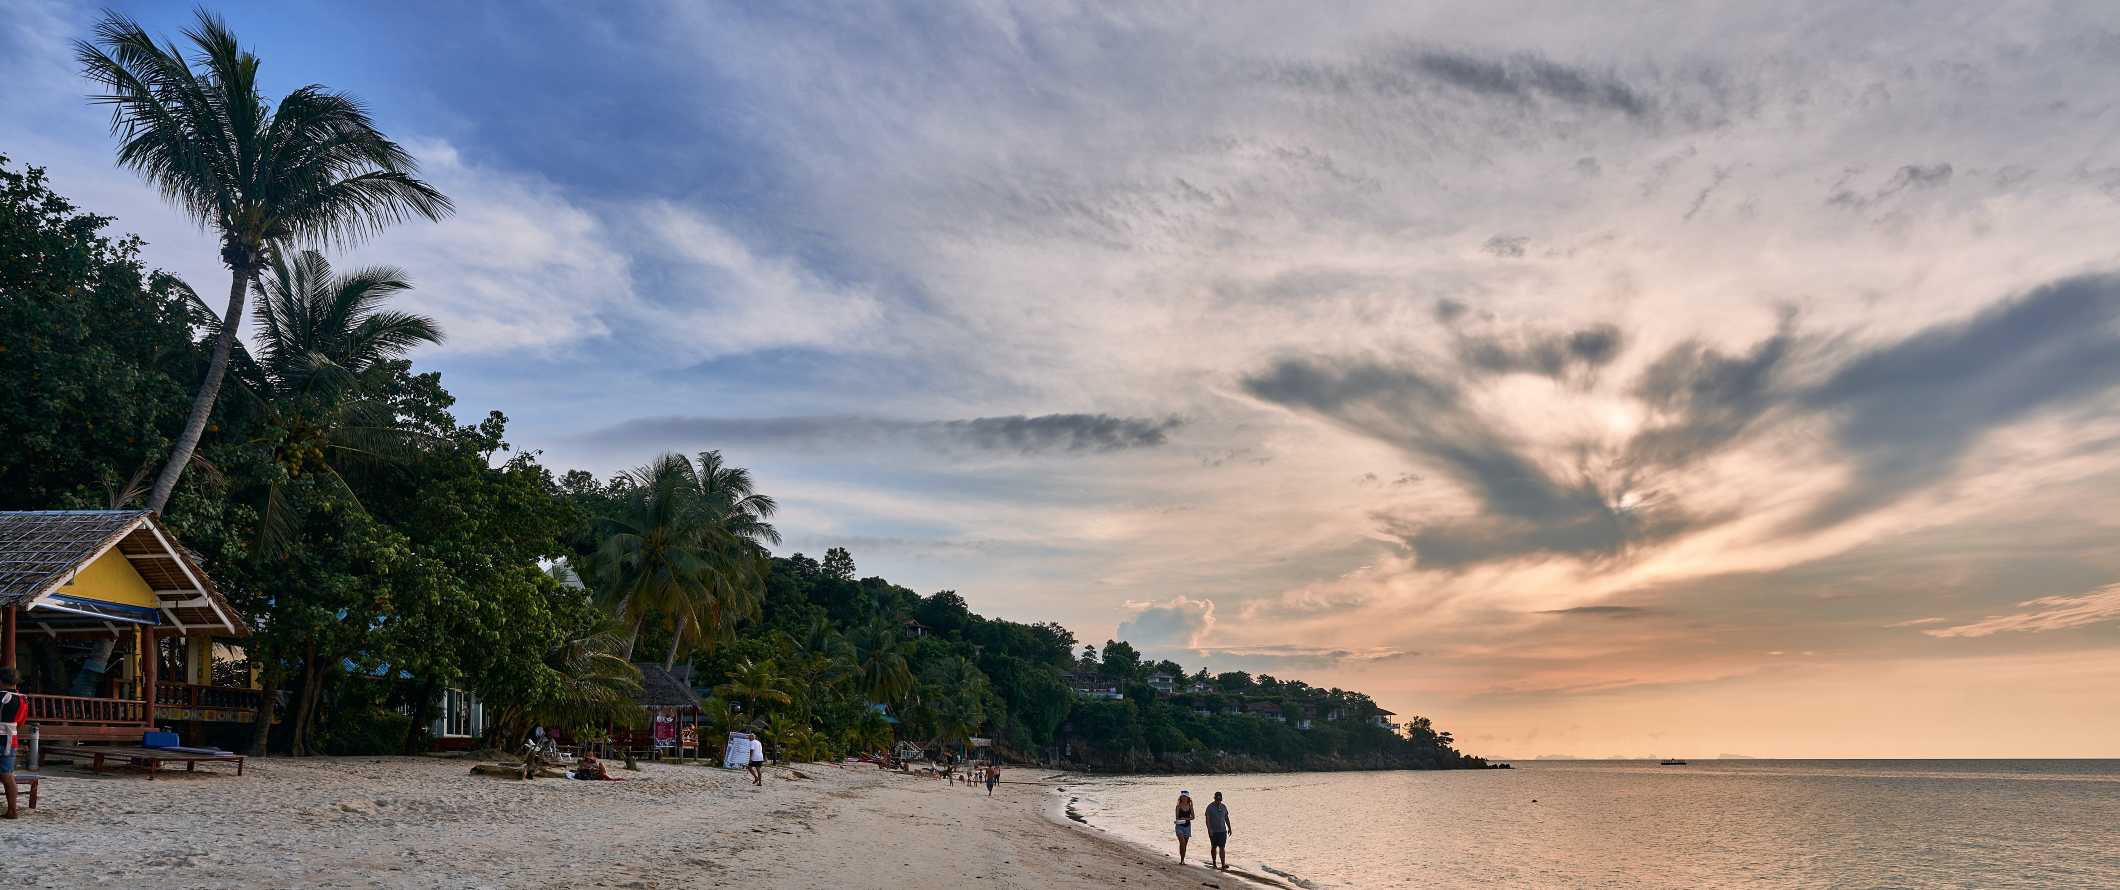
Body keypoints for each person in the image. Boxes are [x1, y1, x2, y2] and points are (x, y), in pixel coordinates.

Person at [0, 668, 23, 819]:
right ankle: (12, 809)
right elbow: (20, 721)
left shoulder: (2, 697)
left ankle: (13, 811)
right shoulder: (22, 698)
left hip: (1, 738)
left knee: (6, 775)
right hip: (11, 739)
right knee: (8, 775)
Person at [1205, 791, 1232, 870]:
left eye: (1219, 800)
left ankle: (1223, 864)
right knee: (1214, 847)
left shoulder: (1224, 807)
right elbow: (1207, 820)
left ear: (1221, 799)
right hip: (1213, 831)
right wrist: (1209, 829)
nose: (1218, 801)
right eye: (1217, 799)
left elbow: (1226, 818)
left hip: (1222, 831)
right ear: (1214, 798)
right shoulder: (1209, 807)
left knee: (1222, 847)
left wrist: (1229, 828)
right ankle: (1214, 863)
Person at [1174, 790, 1196, 865]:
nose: (1183, 798)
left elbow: (1193, 817)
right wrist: (1179, 820)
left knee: (1184, 845)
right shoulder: (1178, 806)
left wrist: (1185, 818)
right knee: (1182, 842)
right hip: (1179, 826)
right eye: (1182, 796)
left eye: (1185, 797)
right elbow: (1177, 818)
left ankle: (1182, 859)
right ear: (1180, 797)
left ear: (1188, 798)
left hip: (1187, 827)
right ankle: (1182, 860)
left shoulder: (1190, 806)